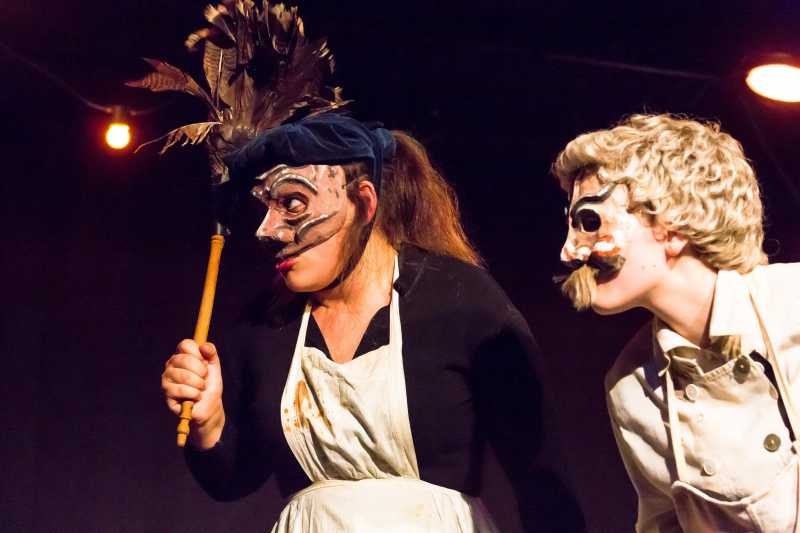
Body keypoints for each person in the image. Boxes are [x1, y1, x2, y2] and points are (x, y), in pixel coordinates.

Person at [162, 113, 585, 532]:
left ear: (364, 203)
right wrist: (210, 421)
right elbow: (233, 478)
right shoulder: (266, 326)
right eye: (265, 210)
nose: (267, 231)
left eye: (292, 204)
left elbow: (541, 476)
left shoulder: (458, 301)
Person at [552, 113, 800, 532]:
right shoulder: (633, 389)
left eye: (590, 222)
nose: (568, 252)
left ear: (671, 225)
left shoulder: (793, 302)